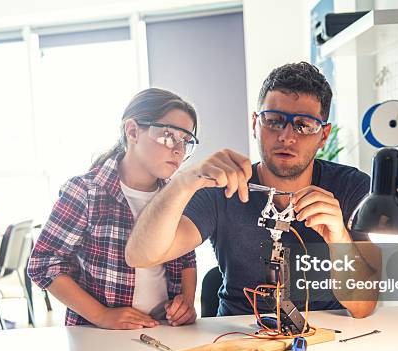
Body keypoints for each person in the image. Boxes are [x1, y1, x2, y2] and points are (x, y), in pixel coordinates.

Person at [126, 63, 379, 318]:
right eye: (274, 121)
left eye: (303, 125)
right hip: (239, 337)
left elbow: (363, 307)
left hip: (326, 337)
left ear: (323, 136)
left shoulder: (349, 188)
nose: (286, 137)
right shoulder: (222, 189)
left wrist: (338, 240)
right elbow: (142, 255)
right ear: (255, 124)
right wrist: (184, 181)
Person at [28, 88, 199, 329]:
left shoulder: (176, 195)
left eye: (186, 141)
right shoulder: (86, 191)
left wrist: (187, 302)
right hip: (97, 335)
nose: (179, 150)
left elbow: (186, 258)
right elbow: (43, 263)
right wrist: (101, 315)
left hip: (162, 330)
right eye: (169, 135)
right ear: (132, 131)